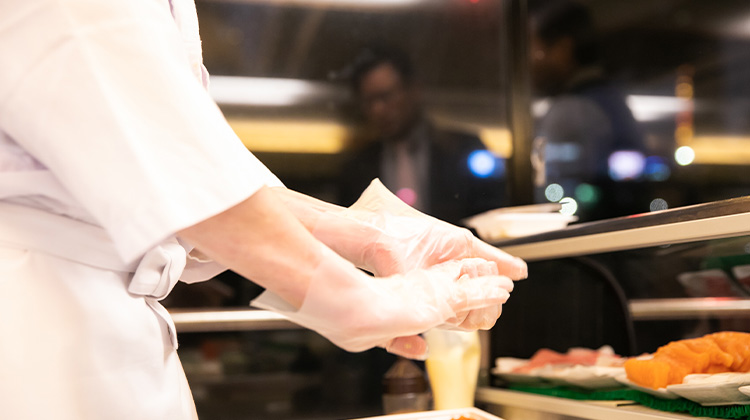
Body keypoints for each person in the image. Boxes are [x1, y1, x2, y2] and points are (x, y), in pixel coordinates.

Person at [0, 1, 527, 419]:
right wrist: (350, 297)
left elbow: (194, 165)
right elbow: (167, 158)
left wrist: (373, 238)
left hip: (106, 326)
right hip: (43, 322)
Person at [338, 46, 506, 226]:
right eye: (369, 101)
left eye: (386, 96)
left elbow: (492, 220)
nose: (378, 109)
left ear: (414, 90)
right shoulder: (356, 169)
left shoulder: (463, 150)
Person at [529, 0, 647, 220]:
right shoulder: (611, 99)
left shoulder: (572, 110)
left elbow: (555, 204)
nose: (532, 64)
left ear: (563, 49)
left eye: (537, 50)